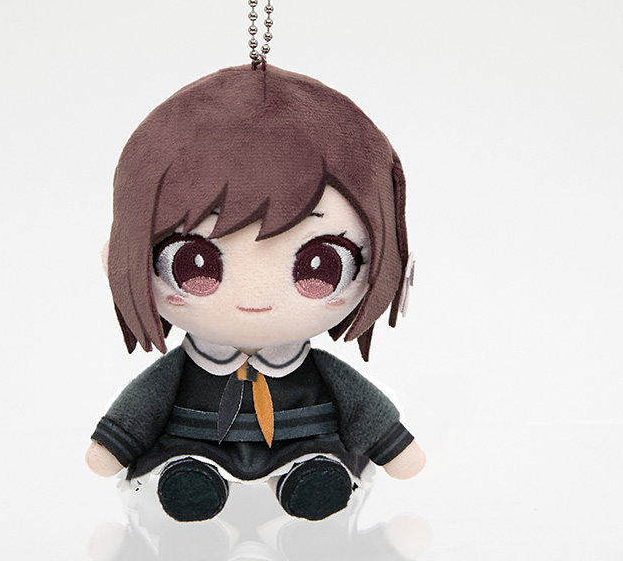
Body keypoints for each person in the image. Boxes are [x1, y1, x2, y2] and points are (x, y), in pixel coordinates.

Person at [86, 65, 425, 521]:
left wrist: (392, 446)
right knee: (187, 472)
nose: (254, 297)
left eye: (322, 265)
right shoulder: (181, 372)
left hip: (303, 442)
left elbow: (363, 407)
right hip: (196, 442)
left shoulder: (318, 371)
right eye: (193, 264)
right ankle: (193, 477)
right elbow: (142, 406)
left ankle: (308, 478)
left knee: (319, 471)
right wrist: (115, 443)